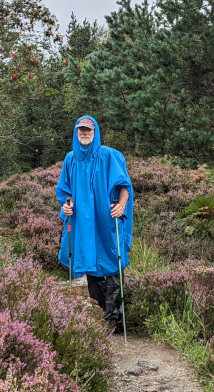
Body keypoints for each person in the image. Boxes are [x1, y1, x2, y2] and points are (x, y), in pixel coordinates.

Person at [55, 115, 134, 328]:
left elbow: (124, 185)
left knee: (111, 261)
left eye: (88, 130)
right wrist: (66, 206)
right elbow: (64, 191)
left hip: (106, 220)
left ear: (95, 132)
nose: (85, 133)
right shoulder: (71, 159)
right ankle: (100, 316)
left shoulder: (109, 156)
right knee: (90, 262)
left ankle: (115, 319)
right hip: (83, 223)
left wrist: (122, 205)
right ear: (76, 132)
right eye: (81, 129)